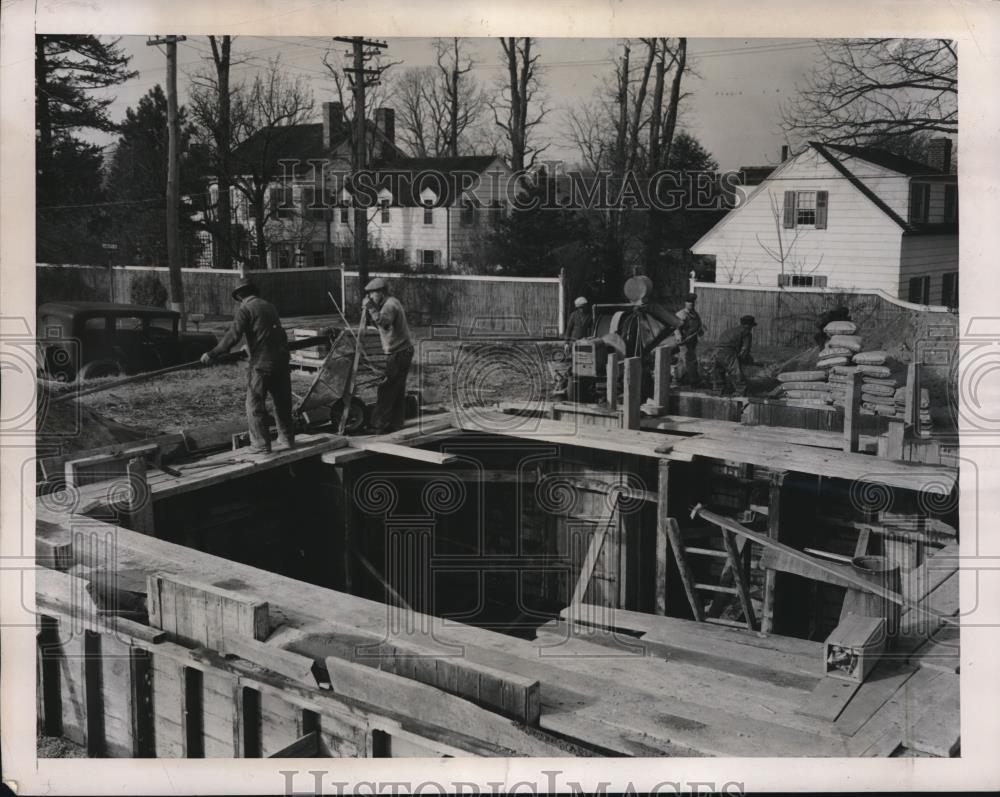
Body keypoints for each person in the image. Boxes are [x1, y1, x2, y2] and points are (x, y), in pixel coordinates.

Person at [201, 278, 294, 453]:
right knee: (282, 403)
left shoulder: (246, 309)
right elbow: (273, 334)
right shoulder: (269, 306)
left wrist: (211, 354)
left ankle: (260, 445)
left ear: (240, 297)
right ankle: (287, 438)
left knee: (254, 405)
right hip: (281, 362)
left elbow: (232, 337)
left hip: (261, 365)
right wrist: (251, 346)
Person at [363, 277, 414, 434]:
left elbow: (384, 322)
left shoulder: (389, 305)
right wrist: (370, 310)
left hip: (398, 352)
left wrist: (370, 307)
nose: (371, 297)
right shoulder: (389, 302)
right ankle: (396, 423)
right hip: (404, 350)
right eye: (370, 295)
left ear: (382, 292)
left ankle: (378, 425)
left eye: (373, 294)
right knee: (397, 388)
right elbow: (378, 323)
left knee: (386, 388)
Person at [553, 297, 593, 397]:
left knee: (584, 361)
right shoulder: (574, 316)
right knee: (574, 362)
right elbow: (569, 329)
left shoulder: (590, 316)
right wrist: (566, 343)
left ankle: (583, 382)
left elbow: (591, 330)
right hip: (573, 342)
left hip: (585, 342)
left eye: (583, 307)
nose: (582, 309)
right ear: (577, 308)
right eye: (580, 308)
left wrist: (590, 339)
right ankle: (566, 381)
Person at [712, 314, 756, 397]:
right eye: (751, 326)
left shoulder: (730, 330)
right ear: (748, 325)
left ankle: (718, 390)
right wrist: (744, 359)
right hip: (729, 352)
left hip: (717, 352)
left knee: (718, 372)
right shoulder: (746, 332)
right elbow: (745, 349)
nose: (751, 328)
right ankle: (741, 391)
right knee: (735, 371)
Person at [674, 292, 704, 387]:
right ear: (685, 303)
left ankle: (679, 378)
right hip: (684, 341)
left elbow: (699, 326)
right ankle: (694, 381)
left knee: (683, 361)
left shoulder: (695, 314)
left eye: (693, 302)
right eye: (689, 302)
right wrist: (679, 337)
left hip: (692, 341)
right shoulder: (681, 314)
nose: (691, 304)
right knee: (689, 360)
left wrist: (700, 331)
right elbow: (676, 327)